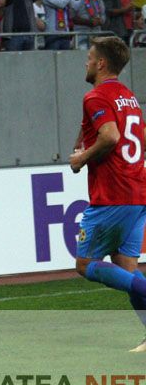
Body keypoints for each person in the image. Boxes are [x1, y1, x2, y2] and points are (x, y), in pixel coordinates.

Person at [66, 37, 146, 353]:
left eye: (89, 57)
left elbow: (110, 136)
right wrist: (83, 145)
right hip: (138, 191)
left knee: (85, 263)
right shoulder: (128, 97)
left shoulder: (96, 96)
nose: (86, 62)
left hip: (114, 194)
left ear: (101, 63)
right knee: (126, 265)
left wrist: (82, 159)